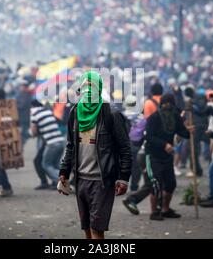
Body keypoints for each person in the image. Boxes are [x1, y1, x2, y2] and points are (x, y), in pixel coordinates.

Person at [58, 71, 131, 239]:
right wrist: (64, 171)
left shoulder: (111, 114)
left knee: (97, 229)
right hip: (80, 179)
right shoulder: (75, 113)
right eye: (85, 86)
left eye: (92, 86)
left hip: (102, 180)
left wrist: (123, 177)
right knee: (87, 230)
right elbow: (70, 145)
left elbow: (124, 148)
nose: (88, 89)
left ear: (99, 89)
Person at [145, 94, 191, 220]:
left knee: (171, 183)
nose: (168, 107)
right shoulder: (154, 118)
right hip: (153, 155)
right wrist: (164, 144)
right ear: (161, 105)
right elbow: (149, 137)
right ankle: (154, 212)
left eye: (170, 104)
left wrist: (189, 132)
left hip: (167, 156)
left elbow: (182, 131)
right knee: (156, 184)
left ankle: (165, 209)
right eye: (165, 104)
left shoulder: (175, 117)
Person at [121, 84, 162, 215]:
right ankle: (134, 188)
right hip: (138, 145)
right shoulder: (140, 116)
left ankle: (123, 186)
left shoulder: (122, 115)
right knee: (138, 168)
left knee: (126, 165)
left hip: (125, 143)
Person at [30, 100, 65, 189]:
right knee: (56, 164)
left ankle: (63, 181)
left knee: (46, 164)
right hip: (61, 141)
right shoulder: (48, 111)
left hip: (51, 143)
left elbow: (33, 132)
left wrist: (33, 132)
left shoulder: (34, 114)